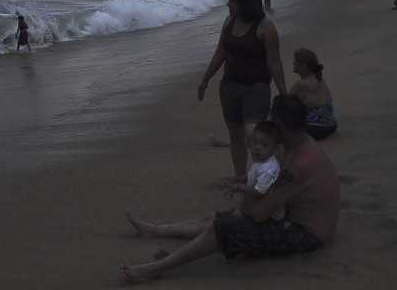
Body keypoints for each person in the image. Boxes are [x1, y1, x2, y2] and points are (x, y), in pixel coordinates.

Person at [120, 95, 340, 283]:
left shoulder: (300, 163)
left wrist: (243, 194)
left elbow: (258, 212)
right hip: (287, 214)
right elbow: (268, 175)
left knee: (220, 228)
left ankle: (156, 268)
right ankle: (155, 230)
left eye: (270, 118)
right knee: (213, 218)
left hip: (305, 235)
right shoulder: (296, 143)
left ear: (279, 124)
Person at [198, 0, 286, 179]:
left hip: (256, 87)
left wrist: (283, 94)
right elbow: (221, 52)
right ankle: (241, 181)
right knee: (236, 137)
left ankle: (263, 179)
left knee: (254, 136)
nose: (227, 5)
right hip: (229, 87)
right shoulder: (229, 21)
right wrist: (205, 79)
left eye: (231, 1)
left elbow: (274, 62)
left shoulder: (265, 27)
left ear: (244, 3)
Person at [220, 120, 286, 222]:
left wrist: (239, 187)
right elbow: (259, 175)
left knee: (226, 220)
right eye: (254, 143)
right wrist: (246, 177)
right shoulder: (263, 160)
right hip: (259, 209)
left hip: (269, 217)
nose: (257, 148)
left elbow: (259, 191)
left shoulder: (268, 168)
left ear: (276, 148)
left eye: (264, 145)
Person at [288, 48, 337, 140]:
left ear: (304, 65)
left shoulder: (301, 84)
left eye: (296, 61)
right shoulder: (319, 79)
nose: (293, 63)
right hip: (332, 125)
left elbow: (283, 105)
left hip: (315, 129)